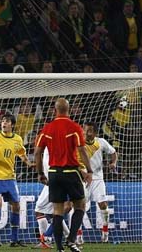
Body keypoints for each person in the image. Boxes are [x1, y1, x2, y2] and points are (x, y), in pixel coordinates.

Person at [34, 98, 93, 252]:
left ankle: (59, 247)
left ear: (55, 110)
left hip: (53, 173)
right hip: (71, 172)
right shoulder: (75, 127)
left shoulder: (47, 129)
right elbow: (82, 150)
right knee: (80, 205)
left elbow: (37, 152)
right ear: (69, 109)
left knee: (57, 211)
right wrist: (89, 170)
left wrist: (40, 173)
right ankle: (71, 239)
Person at [0, 112, 34, 247]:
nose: (4, 123)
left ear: (12, 125)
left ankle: (14, 239)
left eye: (7, 121)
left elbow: (22, 153)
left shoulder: (17, 140)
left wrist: (29, 163)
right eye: (3, 121)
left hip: (10, 176)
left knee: (16, 205)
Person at [78, 121, 118, 244]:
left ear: (95, 132)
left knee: (103, 204)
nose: (86, 133)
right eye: (84, 130)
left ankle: (105, 233)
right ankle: (78, 236)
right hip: (83, 179)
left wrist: (113, 163)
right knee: (79, 207)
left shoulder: (101, 142)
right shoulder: (78, 144)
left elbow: (113, 152)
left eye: (89, 130)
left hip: (98, 179)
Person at [34, 148, 71, 249]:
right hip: (51, 181)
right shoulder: (48, 143)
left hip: (58, 179)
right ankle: (69, 238)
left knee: (61, 209)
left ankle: (47, 239)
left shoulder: (60, 143)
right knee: (49, 211)